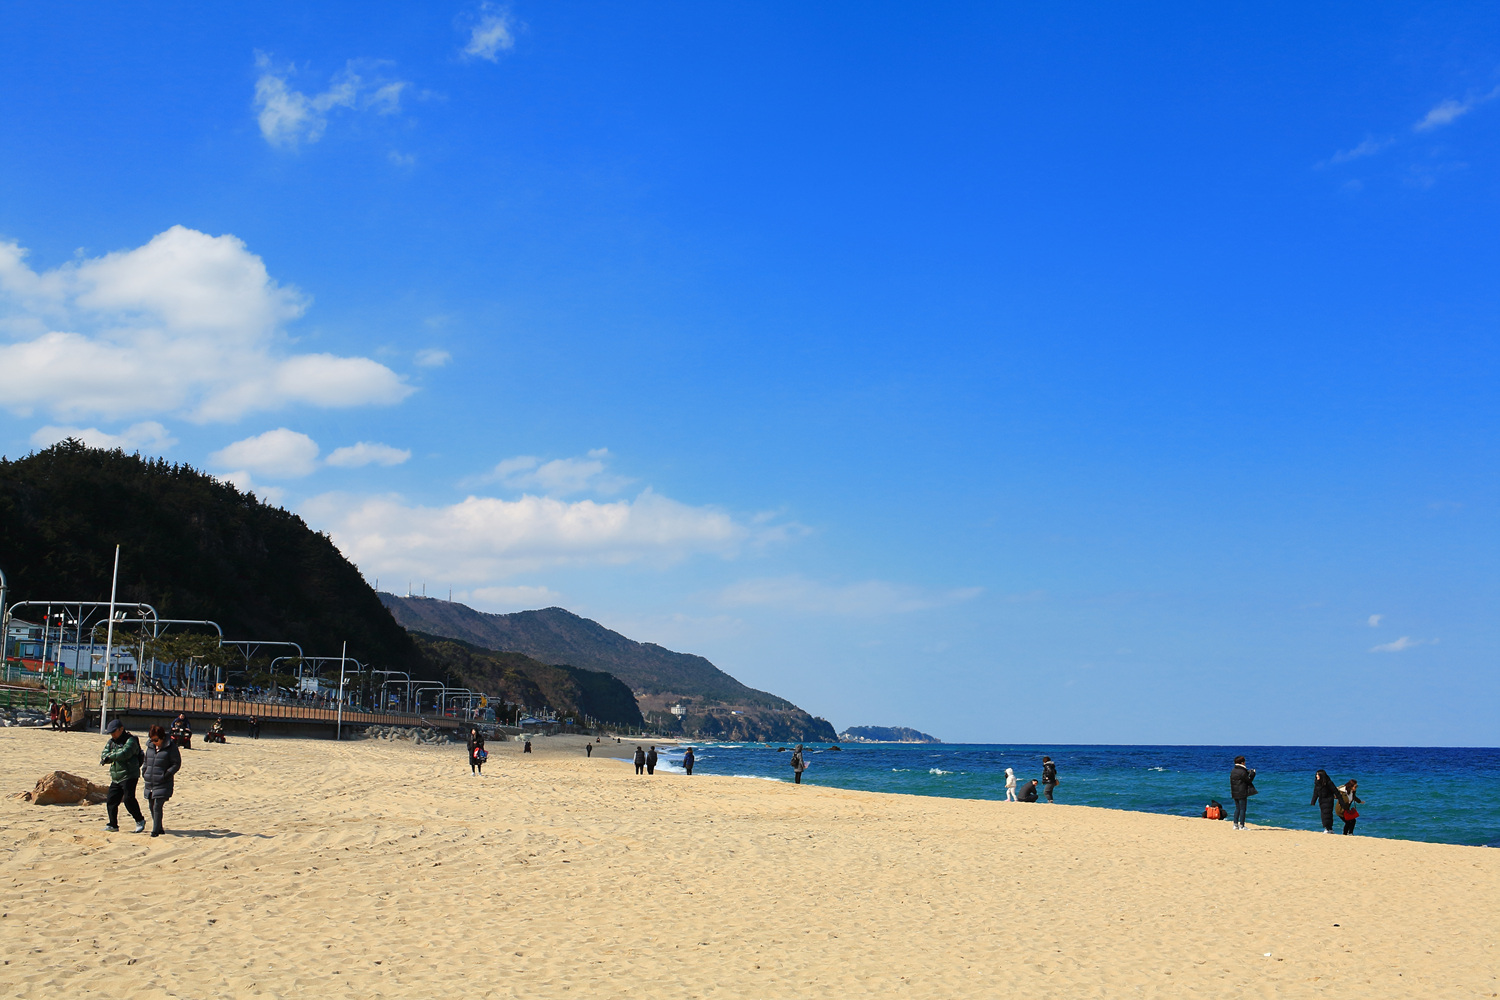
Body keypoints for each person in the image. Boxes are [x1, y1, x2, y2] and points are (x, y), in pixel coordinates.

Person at [99, 719, 146, 834]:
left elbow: (125, 753)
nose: (112, 735)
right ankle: (113, 824)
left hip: (129, 775)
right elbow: (104, 754)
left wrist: (110, 757)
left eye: (114, 732)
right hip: (116, 776)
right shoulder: (111, 742)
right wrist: (108, 757)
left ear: (121, 729)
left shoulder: (131, 740)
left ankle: (139, 820)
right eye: (110, 733)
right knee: (111, 800)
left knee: (128, 799)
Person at [141, 724, 182, 838]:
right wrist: (144, 772)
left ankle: (155, 831)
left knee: (157, 805)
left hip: (164, 782)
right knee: (151, 805)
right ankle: (159, 828)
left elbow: (176, 763)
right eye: (152, 740)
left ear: (162, 738)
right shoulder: (150, 747)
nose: (154, 742)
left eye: (156, 740)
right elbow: (146, 761)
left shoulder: (171, 747)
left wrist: (167, 774)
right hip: (150, 781)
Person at [1230, 756, 1256, 830]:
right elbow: (1248, 780)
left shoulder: (1233, 770)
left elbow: (1240, 777)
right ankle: (1242, 825)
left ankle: (1235, 825)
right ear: (1242, 763)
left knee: (1237, 808)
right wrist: (1253, 774)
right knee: (1242, 809)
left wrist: (1248, 772)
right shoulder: (1242, 771)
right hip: (1242, 792)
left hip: (1234, 792)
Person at [1311, 769, 1339, 833]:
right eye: (1316, 774)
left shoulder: (1328, 783)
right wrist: (1313, 801)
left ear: (1321, 775)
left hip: (1329, 800)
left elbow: (1336, 791)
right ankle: (1329, 828)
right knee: (1324, 814)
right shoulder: (1317, 783)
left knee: (1328, 814)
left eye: (1318, 774)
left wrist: (1341, 800)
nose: (1316, 776)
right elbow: (1315, 793)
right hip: (1321, 801)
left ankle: (1328, 828)